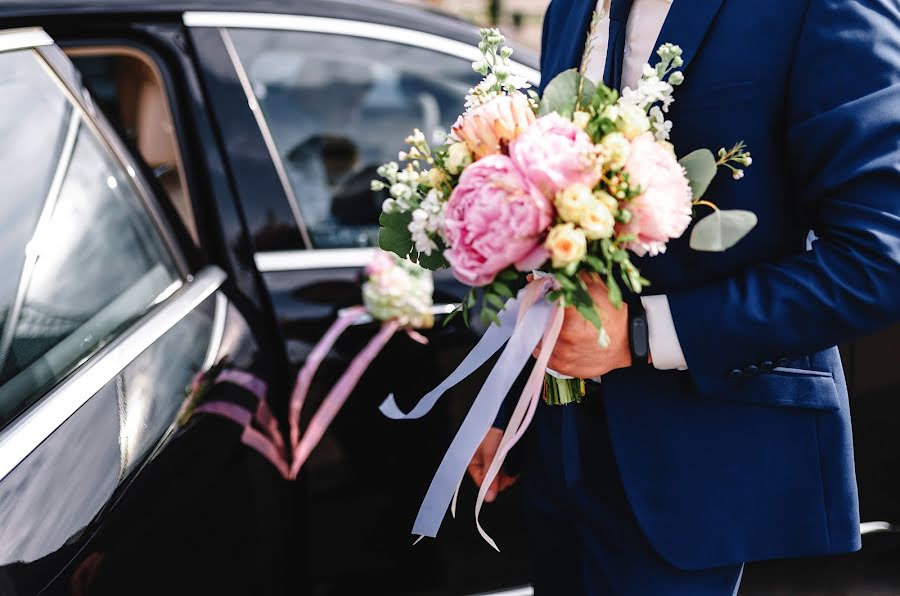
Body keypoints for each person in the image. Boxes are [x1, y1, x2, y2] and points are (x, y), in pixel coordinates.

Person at [467, 0, 900, 593]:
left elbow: (879, 259)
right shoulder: (568, 10)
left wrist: (643, 335)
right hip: (558, 467)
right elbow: (552, 221)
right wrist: (506, 404)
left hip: (717, 481)